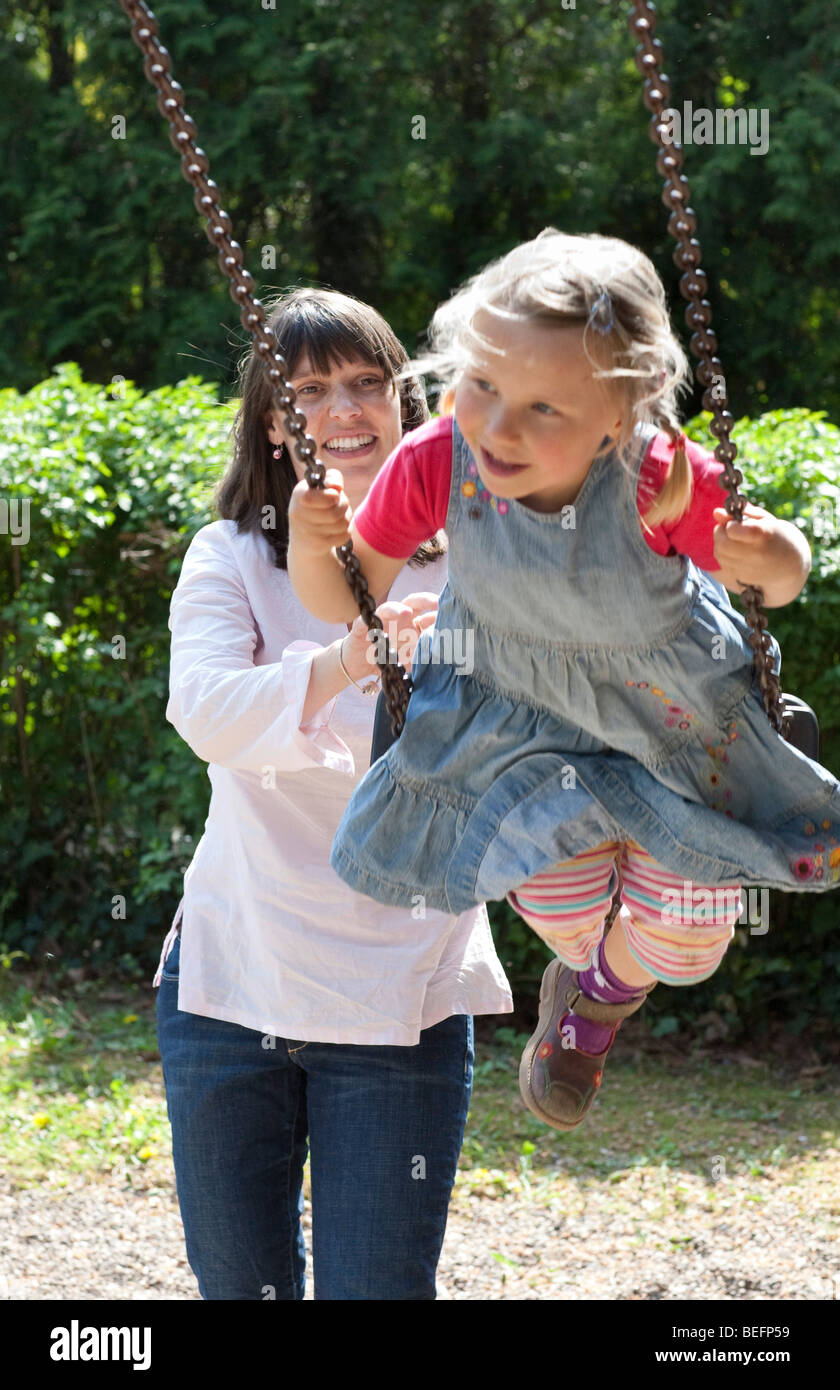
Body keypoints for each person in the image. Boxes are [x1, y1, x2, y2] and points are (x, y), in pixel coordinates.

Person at [286, 229, 840, 1134]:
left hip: (669, 726)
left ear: (621, 417)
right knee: (567, 911)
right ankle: (586, 987)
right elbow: (342, 596)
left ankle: (595, 1009)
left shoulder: (655, 473)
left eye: (544, 408)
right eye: (484, 386)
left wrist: (769, 553)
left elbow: (778, 575)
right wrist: (321, 551)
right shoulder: (436, 459)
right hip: (517, 728)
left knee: (693, 941)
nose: (500, 426)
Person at [153, 287, 513, 1301]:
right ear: (274, 420)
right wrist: (348, 659)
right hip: (234, 981)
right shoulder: (231, 556)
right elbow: (209, 712)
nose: (345, 410)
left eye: (368, 383)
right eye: (310, 391)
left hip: (403, 994)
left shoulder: (482, 562)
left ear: (408, 404)